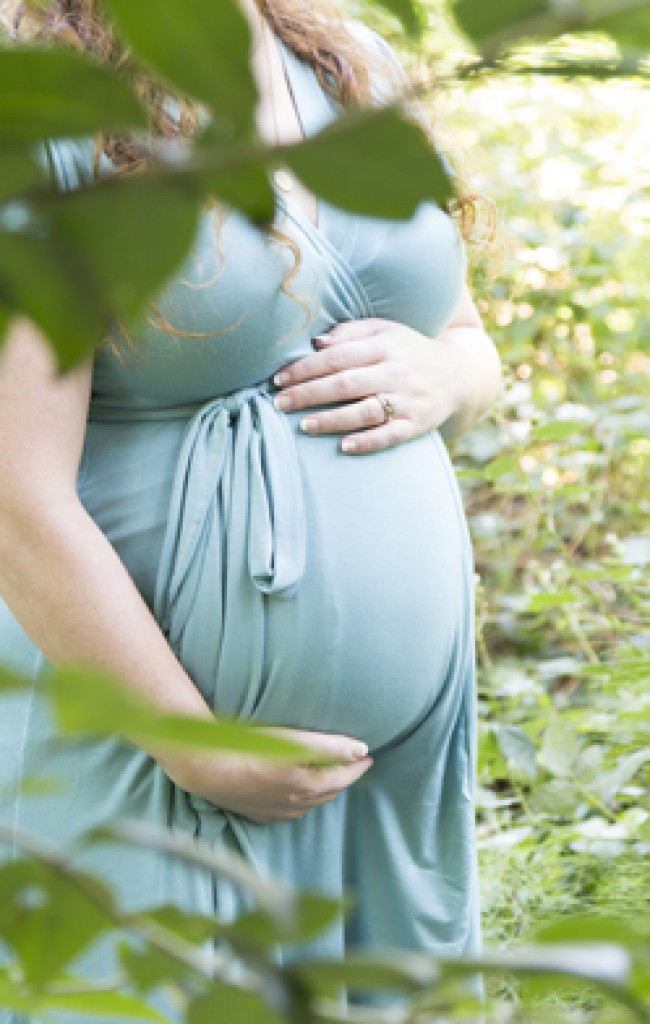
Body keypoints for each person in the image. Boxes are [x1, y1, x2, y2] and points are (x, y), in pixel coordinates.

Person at [0, 0, 501, 1017]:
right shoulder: (44, 111)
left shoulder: (345, 58)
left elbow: (463, 333)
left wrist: (446, 373)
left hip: (387, 784)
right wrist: (193, 742)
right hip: (150, 752)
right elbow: (15, 494)